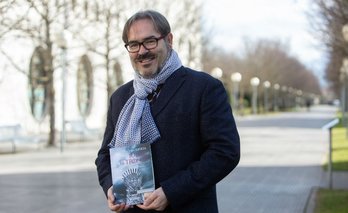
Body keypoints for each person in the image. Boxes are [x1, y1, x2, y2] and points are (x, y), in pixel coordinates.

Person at [95, 10, 240, 213]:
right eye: (134, 45)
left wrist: (171, 192)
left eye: (150, 41)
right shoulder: (121, 97)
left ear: (169, 40)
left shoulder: (204, 88)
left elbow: (225, 152)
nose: (142, 51)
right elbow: (105, 155)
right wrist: (111, 187)